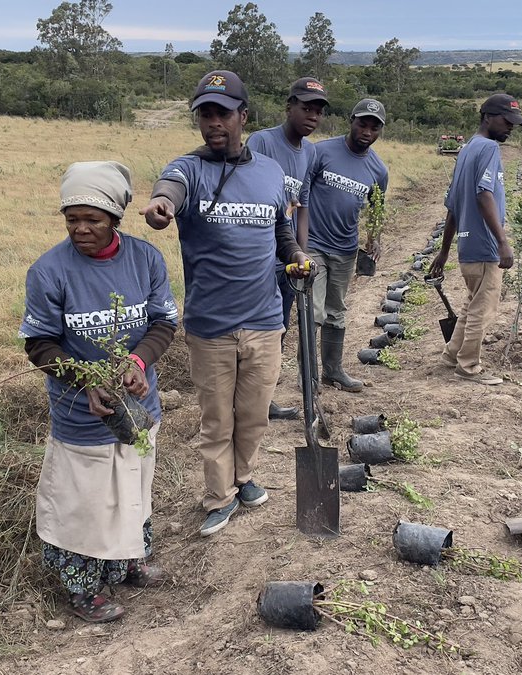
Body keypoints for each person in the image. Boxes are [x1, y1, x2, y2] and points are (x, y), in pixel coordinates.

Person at [142, 70, 311, 537]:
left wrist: (296, 255)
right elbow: (168, 191)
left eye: (223, 113)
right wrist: (161, 206)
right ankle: (219, 497)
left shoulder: (270, 172)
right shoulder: (188, 168)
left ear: (243, 117)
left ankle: (244, 477)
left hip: (265, 320)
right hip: (211, 326)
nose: (213, 123)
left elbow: (280, 229)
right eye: (205, 114)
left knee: (254, 415)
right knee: (217, 421)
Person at [20, 161, 179, 623]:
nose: (81, 229)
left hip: (138, 407)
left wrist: (137, 361)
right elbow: (39, 343)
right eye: (72, 219)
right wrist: (86, 381)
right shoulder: (49, 271)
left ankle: (129, 563)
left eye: (92, 219)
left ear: (115, 218)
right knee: (85, 505)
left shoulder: (145, 259)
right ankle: (83, 589)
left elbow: (163, 323)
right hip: (81, 415)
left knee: (133, 485)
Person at [428, 93, 522, 385]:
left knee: (472, 304)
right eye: (506, 121)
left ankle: (451, 356)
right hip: (485, 246)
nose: (510, 127)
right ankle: (468, 366)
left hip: (468, 245)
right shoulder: (488, 149)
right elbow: (484, 195)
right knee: (483, 310)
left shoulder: (467, 150)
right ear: (487, 118)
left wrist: (445, 251)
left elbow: (452, 206)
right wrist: (502, 241)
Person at [246, 76, 328, 419]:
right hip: (260, 259)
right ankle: (247, 403)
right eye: (306, 108)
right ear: (289, 106)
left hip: (286, 260)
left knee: (277, 331)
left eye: (318, 111)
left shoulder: (310, 151)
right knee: (252, 334)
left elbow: (302, 204)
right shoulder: (262, 142)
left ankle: (264, 400)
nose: (312, 116)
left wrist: (301, 254)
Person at [304, 98, 390, 393]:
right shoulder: (320, 152)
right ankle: (308, 375)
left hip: (345, 248)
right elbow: (301, 194)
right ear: (351, 120)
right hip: (313, 244)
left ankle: (333, 371)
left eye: (374, 128)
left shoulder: (378, 169)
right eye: (362, 124)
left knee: (336, 310)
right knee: (314, 311)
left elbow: (377, 208)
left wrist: (374, 239)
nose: (367, 132)